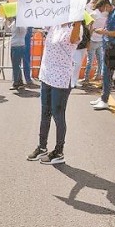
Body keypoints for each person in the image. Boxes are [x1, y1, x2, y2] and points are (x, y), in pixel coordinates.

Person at [26, 19, 83, 165]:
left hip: (62, 78)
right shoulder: (54, 24)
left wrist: (77, 21)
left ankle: (59, 151)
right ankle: (42, 146)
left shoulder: (76, 27)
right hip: (46, 74)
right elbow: (41, 16)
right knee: (45, 112)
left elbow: (73, 40)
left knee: (58, 115)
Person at [90, 0, 115, 111]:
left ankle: (105, 100)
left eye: (101, 9)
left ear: (106, 5)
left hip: (113, 48)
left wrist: (103, 32)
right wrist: (103, 30)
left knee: (107, 75)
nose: (101, 12)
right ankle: (103, 97)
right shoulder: (111, 14)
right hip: (108, 47)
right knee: (105, 74)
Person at [84, 0, 107, 87]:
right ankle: (98, 76)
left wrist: (88, 40)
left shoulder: (94, 14)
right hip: (100, 39)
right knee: (100, 60)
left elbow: (89, 27)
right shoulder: (105, 15)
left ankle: (86, 78)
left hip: (93, 39)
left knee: (90, 60)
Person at [9, 17, 29, 90]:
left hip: (19, 45)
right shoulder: (14, 22)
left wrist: (18, 21)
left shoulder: (22, 22)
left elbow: (23, 31)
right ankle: (19, 81)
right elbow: (8, 30)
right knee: (16, 64)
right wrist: (6, 21)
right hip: (13, 45)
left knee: (16, 65)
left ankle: (16, 82)